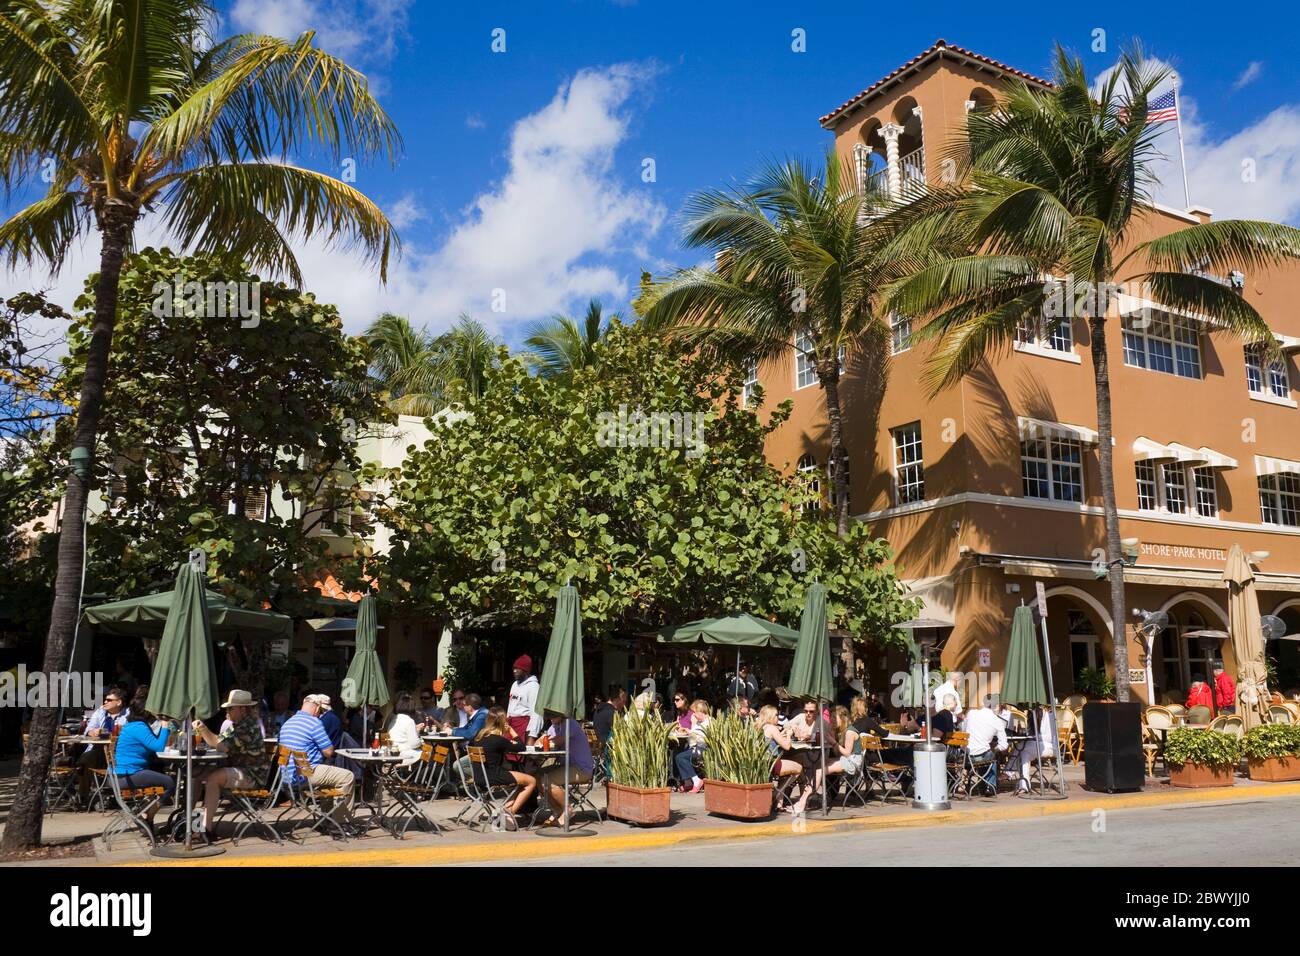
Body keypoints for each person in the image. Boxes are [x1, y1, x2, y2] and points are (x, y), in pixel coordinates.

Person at [191, 689, 274, 838]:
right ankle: (191, 822)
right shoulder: (237, 725)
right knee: (197, 775)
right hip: (241, 769)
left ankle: (205, 829)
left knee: (213, 778)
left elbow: (220, 746)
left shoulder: (246, 727)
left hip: (253, 776)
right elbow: (218, 741)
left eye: (231, 708)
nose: (227, 711)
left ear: (243, 709)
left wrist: (202, 729)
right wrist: (203, 729)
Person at [278, 694, 354, 821]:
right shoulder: (314, 723)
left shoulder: (288, 722)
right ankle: (342, 821)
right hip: (305, 774)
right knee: (347, 777)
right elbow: (329, 752)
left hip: (286, 776)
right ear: (317, 708)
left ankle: (327, 819)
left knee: (329, 778)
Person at [468, 707, 536, 828]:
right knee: (531, 781)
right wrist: (512, 732)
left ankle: (506, 809)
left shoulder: (479, 736)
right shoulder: (499, 740)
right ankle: (510, 812)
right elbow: (521, 747)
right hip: (493, 776)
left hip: (479, 776)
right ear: (502, 723)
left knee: (521, 781)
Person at [112, 701, 175, 829]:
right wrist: (164, 725)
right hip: (128, 775)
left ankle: (141, 812)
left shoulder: (132, 726)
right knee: (169, 783)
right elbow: (158, 746)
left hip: (123, 774)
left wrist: (166, 730)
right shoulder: (138, 727)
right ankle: (147, 818)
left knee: (159, 773)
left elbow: (154, 746)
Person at [536, 714, 595, 828]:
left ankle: (567, 808)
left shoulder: (570, 723)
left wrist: (544, 739)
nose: (550, 716)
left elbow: (557, 740)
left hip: (581, 768)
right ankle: (558, 810)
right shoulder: (553, 727)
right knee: (537, 777)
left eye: (553, 713)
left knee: (547, 779)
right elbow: (540, 742)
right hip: (566, 766)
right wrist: (543, 738)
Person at [755, 705, 813, 814]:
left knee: (790, 765)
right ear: (770, 716)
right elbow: (786, 746)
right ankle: (777, 792)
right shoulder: (772, 728)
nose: (778, 717)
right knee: (798, 768)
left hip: (763, 764)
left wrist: (782, 734)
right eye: (776, 715)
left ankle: (779, 801)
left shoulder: (759, 727)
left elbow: (772, 739)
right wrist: (789, 735)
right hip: (772, 764)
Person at [76, 685, 127, 805]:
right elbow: (87, 731)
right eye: (105, 699)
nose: (105, 702)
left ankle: (116, 796)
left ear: (119, 702)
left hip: (117, 752)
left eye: (109, 700)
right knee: (83, 761)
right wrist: (93, 731)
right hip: (98, 750)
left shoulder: (128, 715)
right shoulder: (100, 712)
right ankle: (83, 798)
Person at [812, 705, 863, 796]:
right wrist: (832, 736)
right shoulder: (840, 731)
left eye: (834, 717)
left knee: (819, 770)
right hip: (845, 759)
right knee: (818, 764)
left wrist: (833, 742)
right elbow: (837, 753)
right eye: (831, 717)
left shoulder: (849, 732)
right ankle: (819, 793)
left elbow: (847, 753)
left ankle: (809, 797)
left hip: (853, 762)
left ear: (843, 718)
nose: (832, 720)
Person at [1010, 706, 1057, 795]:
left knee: (1021, 746)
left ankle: (1010, 771)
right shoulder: (1033, 718)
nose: (1034, 713)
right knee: (1023, 752)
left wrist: (1034, 737)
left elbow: (1048, 738)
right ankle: (1024, 786)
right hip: (1037, 746)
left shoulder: (1049, 716)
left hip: (1050, 747)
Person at [963, 704, 1009, 794]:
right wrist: (995, 749)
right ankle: (990, 786)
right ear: (997, 709)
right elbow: (1004, 745)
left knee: (985, 753)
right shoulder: (997, 720)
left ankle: (982, 785)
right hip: (982, 756)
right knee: (991, 755)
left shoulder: (971, 714)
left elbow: (963, 730)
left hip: (966, 757)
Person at [674, 700, 711, 794]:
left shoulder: (709, 722)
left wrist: (690, 733)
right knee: (678, 755)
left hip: (702, 749)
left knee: (681, 757)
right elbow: (693, 733)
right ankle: (688, 782)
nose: (693, 715)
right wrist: (687, 730)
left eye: (694, 713)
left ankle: (696, 781)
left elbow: (704, 738)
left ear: (700, 711)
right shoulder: (698, 723)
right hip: (693, 747)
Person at [506, 655, 543, 745]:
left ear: (525, 670)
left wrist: (532, 736)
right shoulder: (514, 684)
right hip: (511, 727)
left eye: (518, 669)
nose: (514, 671)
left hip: (524, 728)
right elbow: (510, 707)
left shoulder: (533, 686)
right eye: (514, 668)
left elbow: (536, 713)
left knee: (521, 756)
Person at [384, 692, 424, 766]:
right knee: (427, 753)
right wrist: (421, 741)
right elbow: (414, 744)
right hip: (404, 754)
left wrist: (415, 730)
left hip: (392, 752)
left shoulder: (395, 718)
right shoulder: (409, 721)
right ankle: (422, 776)